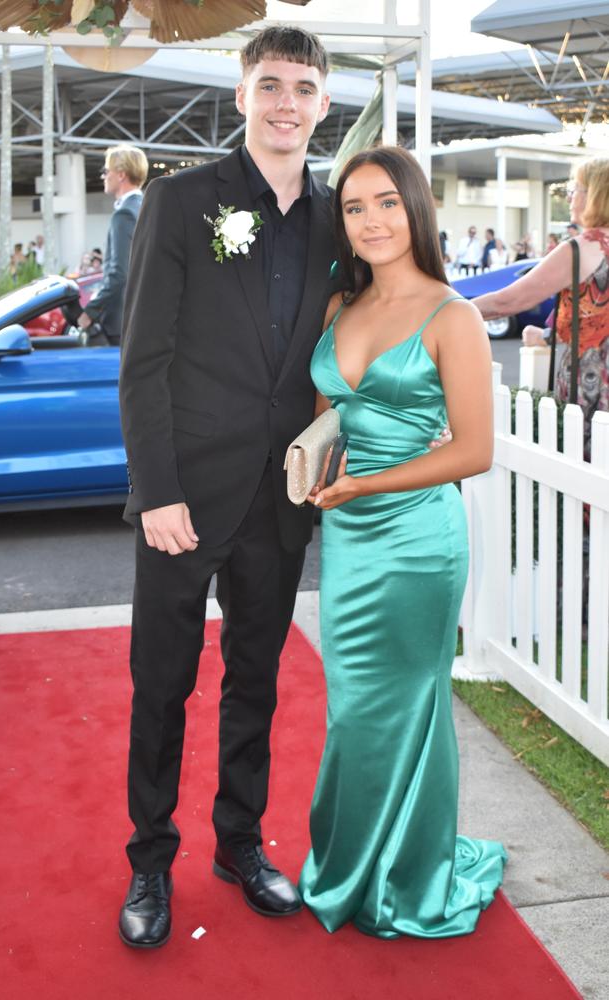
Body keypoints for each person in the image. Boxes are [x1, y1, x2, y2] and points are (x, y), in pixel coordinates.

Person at [117, 26, 336, 949]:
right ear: (242, 94)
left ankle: (238, 843)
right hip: (184, 496)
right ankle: (149, 863)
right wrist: (157, 489)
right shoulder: (180, 201)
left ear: (325, 104)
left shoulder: (339, 220)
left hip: (282, 499)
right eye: (271, 84)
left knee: (257, 682)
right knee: (161, 685)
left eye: (305, 88)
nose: (287, 102)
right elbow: (143, 360)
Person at [298, 146, 506, 938]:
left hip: (419, 538)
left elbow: (474, 452)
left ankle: (411, 881)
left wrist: (366, 485)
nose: (372, 221)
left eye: (386, 202)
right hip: (347, 534)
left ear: (414, 209)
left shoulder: (453, 316)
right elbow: (328, 423)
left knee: (413, 707)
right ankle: (350, 866)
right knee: (353, 710)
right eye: (354, 208)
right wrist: (317, 467)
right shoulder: (337, 310)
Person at [473, 156, 609, 457]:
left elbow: (509, 301)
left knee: (586, 482)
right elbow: (597, 322)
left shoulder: (582, 247)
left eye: (576, 189)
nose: (571, 197)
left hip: (594, 387)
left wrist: (451, 309)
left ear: (595, 194)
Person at [78, 145, 148, 345]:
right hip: (140, 317)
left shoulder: (124, 215)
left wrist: (91, 310)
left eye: (106, 171)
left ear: (121, 175)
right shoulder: (144, 206)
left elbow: (119, 272)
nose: (103, 176)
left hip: (120, 321)